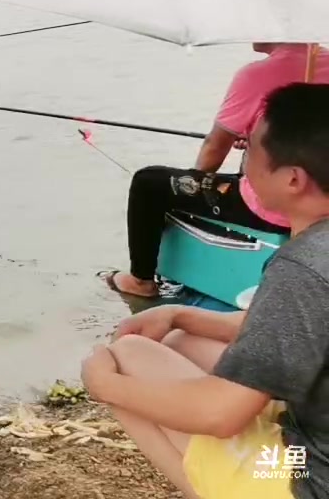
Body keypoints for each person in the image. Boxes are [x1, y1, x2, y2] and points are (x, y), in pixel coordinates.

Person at [82, 82, 329, 499]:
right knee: (184, 338)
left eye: (249, 148)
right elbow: (287, 326)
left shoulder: (304, 267)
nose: (242, 158)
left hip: (310, 476)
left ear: (292, 179)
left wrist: (103, 384)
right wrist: (178, 313)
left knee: (125, 358)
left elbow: (220, 415)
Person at [104, 43, 329, 298]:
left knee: (149, 182)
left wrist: (195, 182)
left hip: (278, 207)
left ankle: (140, 280)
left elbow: (215, 147)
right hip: (321, 192)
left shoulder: (257, 75)